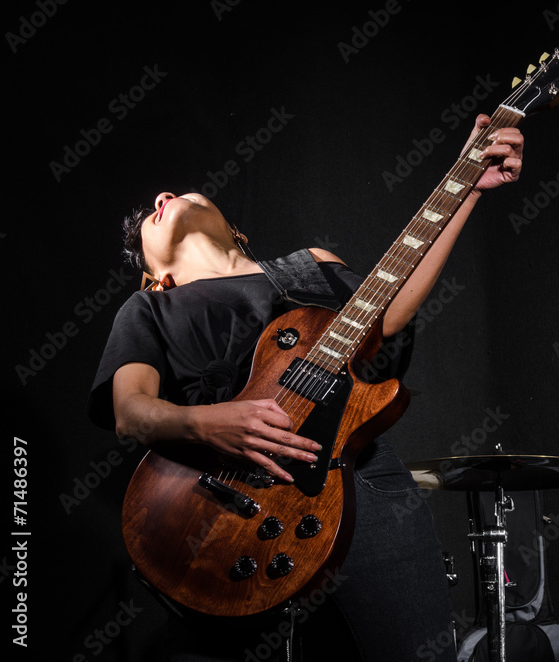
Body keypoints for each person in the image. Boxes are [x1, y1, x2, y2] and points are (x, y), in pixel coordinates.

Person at [88, 114, 524, 661]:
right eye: (148, 220)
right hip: (218, 513)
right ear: (157, 277)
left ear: (236, 229)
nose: (163, 197)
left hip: (360, 484)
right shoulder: (150, 306)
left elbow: (384, 317)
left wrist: (463, 190)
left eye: (173, 194)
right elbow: (130, 412)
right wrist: (212, 423)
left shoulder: (310, 265)